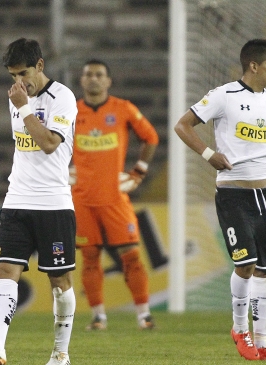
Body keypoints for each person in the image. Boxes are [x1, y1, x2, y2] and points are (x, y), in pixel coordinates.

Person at [174, 38, 266, 361]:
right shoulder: (223, 96)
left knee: (265, 270)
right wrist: (208, 153)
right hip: (233, 193)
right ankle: (239, 330)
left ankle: (262, 342)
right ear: (253, 66)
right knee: (245, 263)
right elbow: (182, 125)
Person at [0, 38, 77, 365]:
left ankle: (60, 353)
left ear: (39, 65)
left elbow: (50, 144)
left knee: (60, 284)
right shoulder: (17, 98)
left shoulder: (62, 97)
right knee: (5, 268)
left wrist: (25, 106)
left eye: (23, 73)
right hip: (17, 200)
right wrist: (22, 103)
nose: (18, 82)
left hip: (53, 204)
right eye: (12, 76)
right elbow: (24, 148)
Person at [71, 59, 159, 331]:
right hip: (82, 198)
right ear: (82, 80)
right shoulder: (71, 111)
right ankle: (99, 317)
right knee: (89, 258)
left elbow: (151, 137)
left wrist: (139, 171)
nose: (94, 79)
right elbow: (51, 141)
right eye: (89, 75)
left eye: (99, 75)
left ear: (108, 81)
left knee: (131, 255)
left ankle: (144, 315)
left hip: (114, 197)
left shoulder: (123, 109)